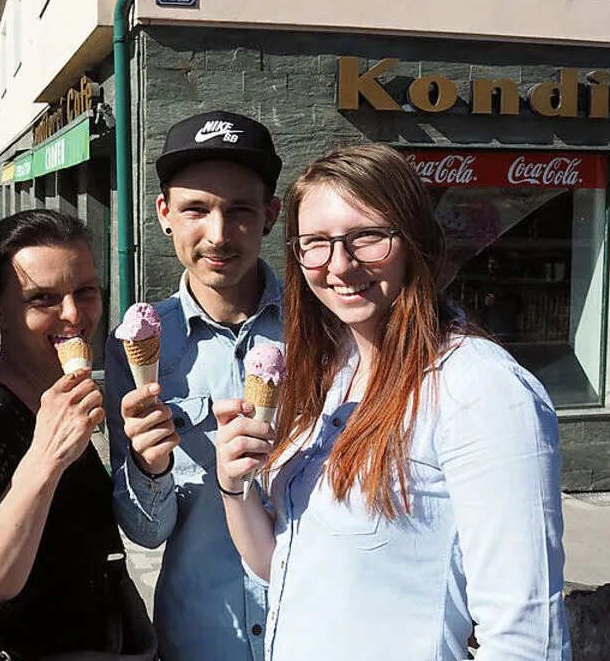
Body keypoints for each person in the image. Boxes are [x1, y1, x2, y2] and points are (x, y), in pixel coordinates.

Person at [214, 144, 571, 660]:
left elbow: (527, 639)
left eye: (367, 236)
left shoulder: (481, 390)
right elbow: (287, 569)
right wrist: (235, 486)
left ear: (414, 240)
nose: (340, 264)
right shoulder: (330, 372)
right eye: (316, 243)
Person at [0, 210, 155, 660]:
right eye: (43, 299)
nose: (74, 315)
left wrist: (149, 465)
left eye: (85, 291)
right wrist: (45, 460)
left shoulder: (59, 398)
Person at [106, 111, 283, 661]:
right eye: (196, 209)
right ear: (164, 214)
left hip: (311, 629)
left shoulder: (325, 331)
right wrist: (149, 467)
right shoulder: (138, 347)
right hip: (202, 639)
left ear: (271, 215)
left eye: (240, 210)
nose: (218, 234)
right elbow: (146, 533)